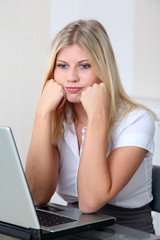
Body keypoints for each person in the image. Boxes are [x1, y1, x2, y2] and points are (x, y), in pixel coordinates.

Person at [25, 19, 156, 235]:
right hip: (73, 228)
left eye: (84, 66)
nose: (71, 77)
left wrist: (97, 116)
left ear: (103, 68)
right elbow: (37, 195)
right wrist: (41, 114)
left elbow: (90, 201)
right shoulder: (58, 118)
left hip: (127, 231)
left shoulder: (137, 120)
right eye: (62, 66)